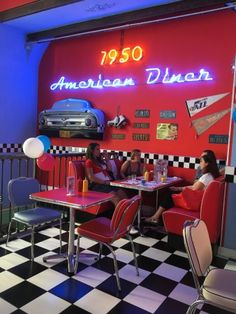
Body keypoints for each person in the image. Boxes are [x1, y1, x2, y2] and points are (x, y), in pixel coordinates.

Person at [144, 154, 220, 224]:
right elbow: (194, 187)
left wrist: (178, 189)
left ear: (206, 163)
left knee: (169, 193)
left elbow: (193, 188)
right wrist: (177, 189)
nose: (199, 163)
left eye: (201, 161)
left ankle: (155, 217)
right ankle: (159, 218)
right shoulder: (211, 175)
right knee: (170, 193)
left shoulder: (206, 177)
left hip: (194, 203)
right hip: (198, 200)